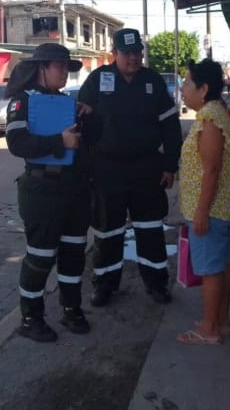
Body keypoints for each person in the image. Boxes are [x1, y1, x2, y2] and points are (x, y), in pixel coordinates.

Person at [78, 28, 183, 307]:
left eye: (138, 52)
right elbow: (79, 121)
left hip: (147, 168)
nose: (134, 57)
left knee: (150, 229)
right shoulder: (98, 79)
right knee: (107, 231)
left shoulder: (153, 81)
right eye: (128, 53)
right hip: (107, 170)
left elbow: (171, 126)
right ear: (115, 54)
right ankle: (104, 285)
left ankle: (156, 283)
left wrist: (170, 165)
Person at [5, 43, 96, 342]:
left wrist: (86, 117)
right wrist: (60, 142)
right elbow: (17, 144)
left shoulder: (67, 102)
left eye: (67, 68)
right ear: (41, 67)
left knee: (73, 253)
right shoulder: (23, 102)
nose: (64, 74)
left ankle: (71, 308)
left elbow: (82, 143)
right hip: (42, 190)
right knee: (41, 257)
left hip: (74, 190)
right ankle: (31, 318)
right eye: (59, 67)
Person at [177, 58, 230, 345]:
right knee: (221, 266)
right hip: (216, 209)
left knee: (211, 269)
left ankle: (209, 328)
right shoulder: (213, 113)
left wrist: (201, 212)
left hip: (210, 210)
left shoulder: (209, 118)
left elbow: (211, 169)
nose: (182, 87)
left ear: (203, 89)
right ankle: (220, 322)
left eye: (188, 82)